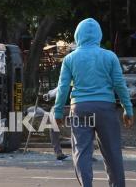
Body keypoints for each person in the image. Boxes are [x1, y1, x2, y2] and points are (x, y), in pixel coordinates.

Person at [54, 18, 134, 187]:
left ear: (77, 35)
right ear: (99, 35)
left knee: (81, 151)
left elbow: (62, 88)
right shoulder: (110, 56)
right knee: (112, 152)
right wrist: (128, 109)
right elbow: (120, 84)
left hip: (80, 109)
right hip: (105, 109)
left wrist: (58, 112)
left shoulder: (70, 59)